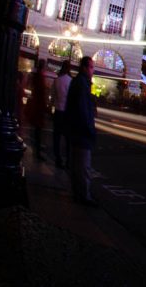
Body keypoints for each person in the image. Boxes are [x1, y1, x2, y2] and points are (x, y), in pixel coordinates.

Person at [65, 56, 97, 206]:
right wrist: (90, 130)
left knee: (76, 165)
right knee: (83, 166)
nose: (93, 70)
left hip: (75, 130)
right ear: (84, 68)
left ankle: (77, 193)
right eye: (91, 67)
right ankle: (84, 196)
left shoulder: (78, 82)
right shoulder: (82, 85)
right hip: (81, 133)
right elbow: (83, 110)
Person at [26, 59, 49, 161]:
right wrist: (46, 108)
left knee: (37, 131)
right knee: (38, 131)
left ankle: (36, 150)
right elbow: (41, 94)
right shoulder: (40, 77)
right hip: (38, 107)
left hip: (36, 106)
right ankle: (37, 152)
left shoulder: (37, 76)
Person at [51, 60, 72, 169]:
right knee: (68, 138)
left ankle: (58, 158)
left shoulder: (57, 80)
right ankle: (68, 160)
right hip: (66, 112)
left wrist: (51, 108)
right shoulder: (70, 81)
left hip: (58, 111)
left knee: (57, 137)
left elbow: (52, 96)